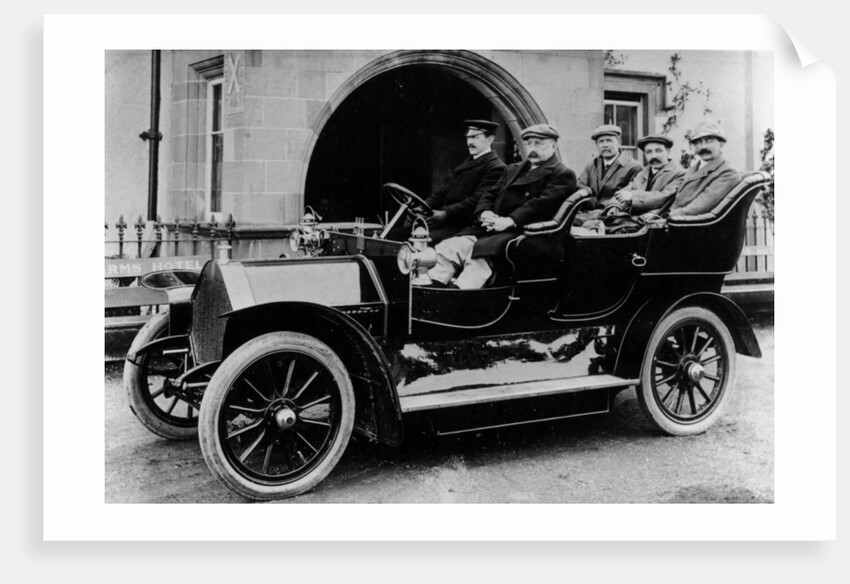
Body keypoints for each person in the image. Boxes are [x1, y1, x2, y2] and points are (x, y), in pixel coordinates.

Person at [424, 123, 578, 289]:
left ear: (553, 146)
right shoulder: (513, 169)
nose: (532, 149)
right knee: (448, 248)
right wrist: (484, 213)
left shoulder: (562, 174)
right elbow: (489, 194)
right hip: (492, 229)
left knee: (479, 257)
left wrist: (510, 221)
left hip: (525, 234)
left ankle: (460, 296)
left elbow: (540, 205)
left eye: (538, 144)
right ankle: (431, 291)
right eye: (529, 144)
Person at [388, 119, 506, 244]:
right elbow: (445, 192)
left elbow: (478, 200)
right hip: (447, 222)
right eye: (468, 137)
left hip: (465, 226)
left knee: (417, 242)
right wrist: (424, 206)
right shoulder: (468, 163)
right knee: (394, 235)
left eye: (475, 137)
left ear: (490, 139)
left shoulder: (495, 167)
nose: (470, 142)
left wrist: (446, 214)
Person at [668, 122, 741, 217]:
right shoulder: (694, 168)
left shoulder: (728, 173)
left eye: (709, 141)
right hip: (676, 218)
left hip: (690, 222)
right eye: (698, 142)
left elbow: (700, 205)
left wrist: (668, 217)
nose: (703, 147)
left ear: (721, 144)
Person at [612, 134, 686, 215]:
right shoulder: (641, 174)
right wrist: (615, 206)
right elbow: (625, 191)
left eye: (659, 151)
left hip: (658, 218)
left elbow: (663, 197)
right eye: (649, 152)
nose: (654, 156)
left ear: (668, 152)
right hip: (634, 218)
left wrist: (633, 196)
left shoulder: (679, 173)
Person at [578, 124, 643, 208]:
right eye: (601, 141)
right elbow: (581, 187)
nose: (605, 145)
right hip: (589, 211)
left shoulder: (633, 167)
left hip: (616, 213)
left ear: (619, 142)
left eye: (609, 140)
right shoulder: (591, 165)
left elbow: (633, 198)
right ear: (596, 144)